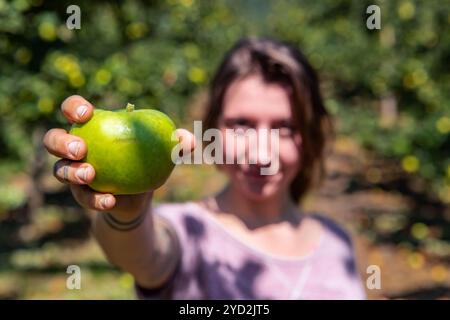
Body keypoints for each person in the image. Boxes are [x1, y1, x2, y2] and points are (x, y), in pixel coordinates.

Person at [43, 37, 366, 299]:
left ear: (308, 138)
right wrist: (127, 210)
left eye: (284, 128)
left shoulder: (337, 242)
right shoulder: (188, 232)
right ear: (213, 128)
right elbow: (145, 258)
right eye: (241, 124)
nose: (261, 152)